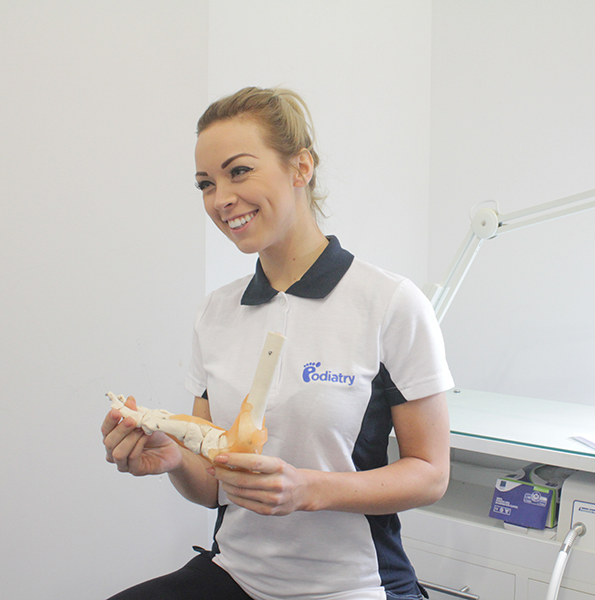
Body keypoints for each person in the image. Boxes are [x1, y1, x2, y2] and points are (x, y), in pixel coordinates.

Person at [101, 86, 454, 600]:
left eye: (238, 171)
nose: (221, 199)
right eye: (206, 183)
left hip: (352, 585)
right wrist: (173, 458)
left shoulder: (389, 303)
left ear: (301, 167)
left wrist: (309, 489)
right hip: (238, 575)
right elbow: (216, 481)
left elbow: (430, 475)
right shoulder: (216, 313)